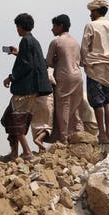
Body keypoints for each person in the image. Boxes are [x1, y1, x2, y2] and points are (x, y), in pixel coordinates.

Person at [0, 13, 52, 161]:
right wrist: (19, 54)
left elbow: (25, 65)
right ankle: (14, 153)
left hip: (25, 90)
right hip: (33, 89)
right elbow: (35, 62)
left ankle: (27, 152)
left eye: (17, 27)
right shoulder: (34, 42)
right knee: (10, 118)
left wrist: (11, 77)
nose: (17, 29)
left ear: (21, 27)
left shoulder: (26, 41)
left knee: (16, 121)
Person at [80, 0, 109, 144]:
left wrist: (85, 62)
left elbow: (85, 47)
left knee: (97, 102)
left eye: (92, 11)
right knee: (108, 101)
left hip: (95, 68)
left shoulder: (91, 26)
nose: (90, 14)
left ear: (97, 11)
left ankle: (103, 134)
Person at [46, 14, 84, 142]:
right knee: (76, 106)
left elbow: (48, 62)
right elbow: (80, 61)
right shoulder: (76, 42)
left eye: (54, 26)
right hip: (77, 76)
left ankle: (64, 137)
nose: (52, 29)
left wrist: (57, 61)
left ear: (60, 26)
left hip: (64, 76)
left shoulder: (56, 42)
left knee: (63, 107)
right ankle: (78, 132)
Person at [31, 69, 56, 152]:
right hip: (47, 100)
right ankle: (39, 139)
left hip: (35, 100)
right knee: (47, 126)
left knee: (37, 126)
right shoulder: (48, 71)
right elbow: (53, 82)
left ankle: (40, 149)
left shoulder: (33, 72)